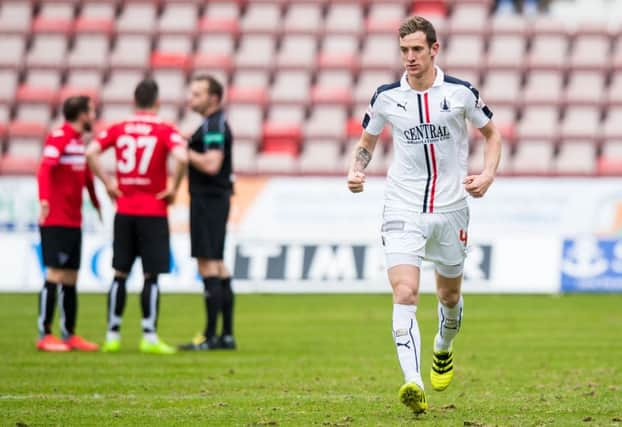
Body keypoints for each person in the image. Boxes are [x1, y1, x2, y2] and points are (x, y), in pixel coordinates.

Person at [347, 16, 501, 414]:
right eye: (403, 51)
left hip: (451, 209)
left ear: (434, 49)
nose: (409, 57)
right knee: (405, 293)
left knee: (449, 297)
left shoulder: (461, 93)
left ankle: (443, 347)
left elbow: (492, 134)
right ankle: (413, 382)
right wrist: (357, 168)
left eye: (417, 49)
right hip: (403, 206)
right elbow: (367, 139)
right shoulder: (385, 97)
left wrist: (487, 175)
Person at [86, 78, 188, 355]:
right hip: (153, 210)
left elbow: (91, 151)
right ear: (157, 101)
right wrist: (173, 187)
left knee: (119, 273)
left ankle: (112, 334)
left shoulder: (120, 128)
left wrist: (108, 184)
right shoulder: (164, 128)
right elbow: (182, 157)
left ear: (134, 100)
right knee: (151, 275)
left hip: (125, 209)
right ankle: (149, 336)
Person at [36, 95, 101, 352]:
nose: (94, 117)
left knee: (72, 277)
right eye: (92, 112)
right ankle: (45, 334)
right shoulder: (59, 136)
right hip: (57, 219)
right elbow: (45, 168)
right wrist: (44, 200)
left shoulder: (77, 142)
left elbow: (85, 177)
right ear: (82, 114)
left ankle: (69, 334)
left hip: (74, 220)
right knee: (55, 273)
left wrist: (96, 202)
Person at [179, 74, 236, 351]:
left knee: (208, 264)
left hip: (208, 199)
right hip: (215, 199)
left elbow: (212, 164)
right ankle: (225, 335)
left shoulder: (214, 125)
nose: (192, 99)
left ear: (213, 98)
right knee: (218, 264)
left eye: (198, 94)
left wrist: (182, 150)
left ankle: (210, 336)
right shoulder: (211, 124)